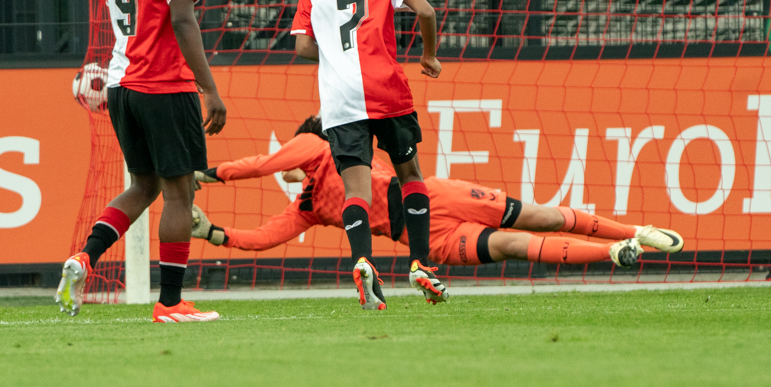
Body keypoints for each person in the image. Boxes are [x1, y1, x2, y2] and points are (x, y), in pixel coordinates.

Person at [191, 117, 683, 280]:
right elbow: (263, 235)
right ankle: (616, 252)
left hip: (435, 196)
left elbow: (265, 165)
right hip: (426, 236)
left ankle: (634, 231)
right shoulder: (311, 184)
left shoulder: (323, 151)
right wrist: (212, 228)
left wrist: (213, 175)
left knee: (540, 214)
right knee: (511, 246)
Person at [56, 0, 227, 323]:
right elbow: (183, 20)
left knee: (143, 185)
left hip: (120, 86)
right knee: (178, 193)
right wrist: (209, 88)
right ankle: (170, 303)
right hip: (163, 83)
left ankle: (85, 258)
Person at [291, 0, 445, 310]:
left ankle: (362, 260)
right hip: (387, 92)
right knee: (409, 174)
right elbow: (426, 12)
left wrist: (338, 58)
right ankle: (421, 264)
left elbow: (303, 48)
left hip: (341, 101)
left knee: (356, 189)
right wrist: (429, 56)